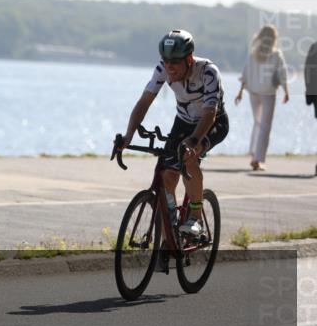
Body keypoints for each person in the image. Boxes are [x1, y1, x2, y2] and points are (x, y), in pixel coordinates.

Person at [116, 30, 229, 270]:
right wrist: (128, 135)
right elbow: (144, 101)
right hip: (184, 121)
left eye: (175, 62)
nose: (170, 67)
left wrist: (194, 142)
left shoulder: (209, 72)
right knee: (167, 175)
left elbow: (209, 113)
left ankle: (195, 218)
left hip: (212, 122)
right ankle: (170, 239)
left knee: (189, 160)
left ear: (189, 59)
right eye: (166, 61)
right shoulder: (162, 70)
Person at [234, 24, 289, 171]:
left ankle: (253, 153)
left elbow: (245, 73)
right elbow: (282, 74)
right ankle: (258, 159)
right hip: (268, 93)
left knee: (258, 123)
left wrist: (240, 92)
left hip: (253, 92)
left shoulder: (253, 54)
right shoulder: (276, 54)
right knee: (265, 126)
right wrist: (286, 91)